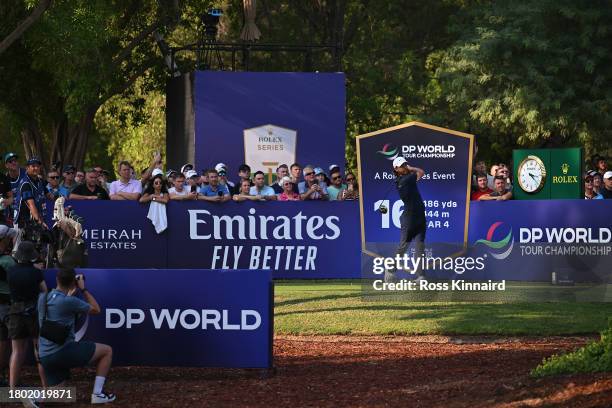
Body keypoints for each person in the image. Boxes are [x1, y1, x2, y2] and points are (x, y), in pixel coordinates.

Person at [38, 268, 115, 404]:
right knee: (107, 351)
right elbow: (96, 309)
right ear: (74, 283)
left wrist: (70, 296)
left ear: (57, 280)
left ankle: (34, 398)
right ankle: (97, 394)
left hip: (45, 356)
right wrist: (83, 289)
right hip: (63, 352)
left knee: (61, 397)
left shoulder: (43, 298)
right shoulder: (69, 302)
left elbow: (59, 309)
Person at [6, 241, 47, 389]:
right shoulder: (36, 272)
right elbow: (44, 290)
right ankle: (45, 387)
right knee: (39, 350)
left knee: (17, 351)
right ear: (32, 256)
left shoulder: (11, 270)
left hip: (15, 313)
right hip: (33, 313)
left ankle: (12, 387)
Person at [387, 157, 426, 283]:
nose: (405, 166)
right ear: (396, 169)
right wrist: (411, 168)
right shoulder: (403, 180)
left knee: (420, 247)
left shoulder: (408, 178)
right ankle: (391, 269)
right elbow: (421, 172)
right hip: (409, 219)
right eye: (402, 165)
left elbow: (420, 174)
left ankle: (421, 276)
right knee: (404, 246)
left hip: (420, 217)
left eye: (405, 164)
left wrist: (409, 168)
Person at [14, 158, 48, 249]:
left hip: (34, 219)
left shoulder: (40, 181)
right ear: (27, 168)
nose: (36, 168)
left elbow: (51, 196)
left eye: (37, 166)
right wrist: (39, 221)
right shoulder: (26, 183)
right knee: (20, 251)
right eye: (33, 166)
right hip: (22, 221)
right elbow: (31, 204)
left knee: (36, 248)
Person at [0, 233, 15, 387]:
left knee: (2, 342)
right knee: (16, 346)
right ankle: (13, 382)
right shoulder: (8, 261)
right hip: (8, 306)